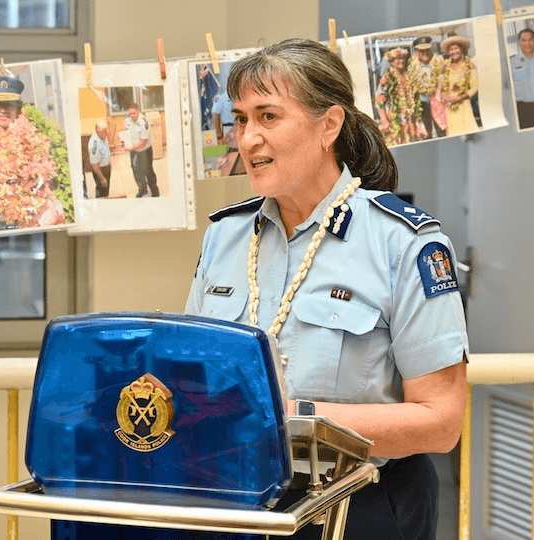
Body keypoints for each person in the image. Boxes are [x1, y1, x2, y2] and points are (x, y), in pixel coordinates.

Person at [185, 38, 468, 540]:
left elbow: (441, 422)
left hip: (361, 503)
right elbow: (192, 373)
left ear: (329, 125)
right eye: (240, 119)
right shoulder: (225, 236)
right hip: (234, 500)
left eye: (268, 117)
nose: (248, 139)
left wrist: (294, 420)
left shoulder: (404, 242)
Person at [0, 75, 68, 233]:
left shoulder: (38, 137)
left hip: (28, 225)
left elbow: (50, 183)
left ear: (18, 108)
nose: (3, 110)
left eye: (9, 104)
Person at [375, 47, 424, 145]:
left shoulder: (408, 76)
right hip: (395, 120)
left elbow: (415, 98)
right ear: (392, 62)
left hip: (410, 119)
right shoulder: (387, 78)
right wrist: (384, 121)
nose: (401, 61)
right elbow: (379, 100)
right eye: (398, 58)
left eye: (403, 58)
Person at [438, 34, 480, 136]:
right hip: (450, 106)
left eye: (456, 48)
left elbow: (475, 87)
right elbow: (440, 85)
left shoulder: (469, 65)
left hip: (463, 104)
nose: (454, 52)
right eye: (451, 49)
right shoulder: (445, 66)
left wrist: (460, 97)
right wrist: (444, 96)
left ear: (461, 49)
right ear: (448, 52)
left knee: (469, 133)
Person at [406, 35, 446, 138]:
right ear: (416, 52)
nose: (425, 53)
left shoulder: (439, 62)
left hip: (438, 101)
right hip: (422, 103)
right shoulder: (412, 66)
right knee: (426, 131)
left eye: (427, 50)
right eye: (422, 51)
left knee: (442, 129)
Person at [122, 103, 159, 197]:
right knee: (136, 170)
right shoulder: (127, 119)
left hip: (145, 150)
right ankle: (142, 189)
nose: (132, 116)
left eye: (134, 113)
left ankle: (154, 190)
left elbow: (143, 141)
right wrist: (122, 141)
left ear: (138, 111)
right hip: (134, 150)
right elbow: (124, 131)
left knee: (148, 171)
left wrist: (131, 148)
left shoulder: (144, 122)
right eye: (130, 113)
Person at [88, 119, 113, 198]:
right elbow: (94, 165)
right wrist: (102, 178)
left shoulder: (102, 136)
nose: (107, 132)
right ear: (98, 131)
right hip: (100, 170)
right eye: (105, 131)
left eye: (107, 130)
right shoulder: (94, 145)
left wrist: (115, 146)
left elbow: (104, 149)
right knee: (101, 192)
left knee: (106, 191)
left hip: (105, 167)